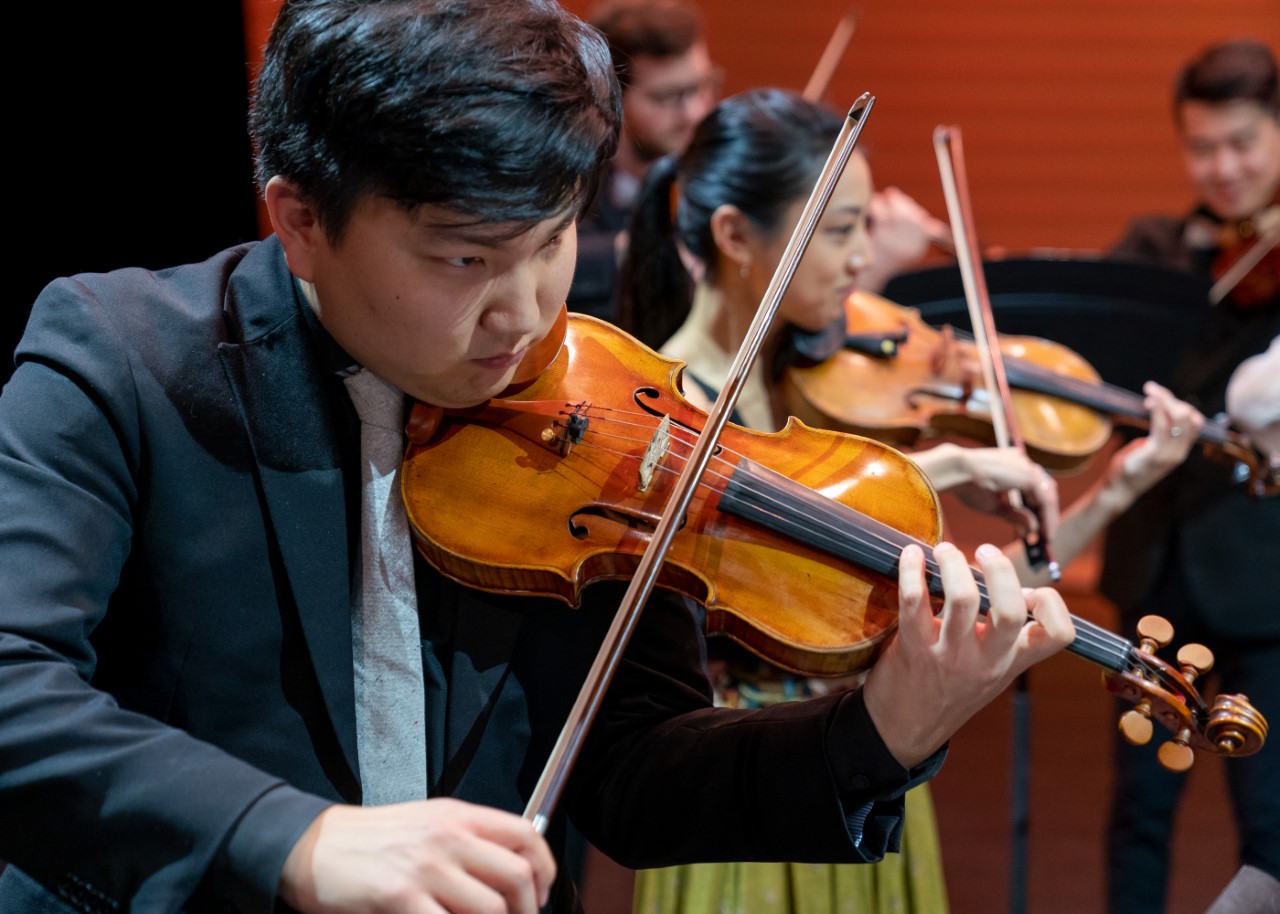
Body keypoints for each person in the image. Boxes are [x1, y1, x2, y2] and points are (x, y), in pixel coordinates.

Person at [0, 3, 1077, 913]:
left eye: (553, 238)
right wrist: (299, 837)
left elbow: (634, 778)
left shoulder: (601, 411)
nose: (523, 312)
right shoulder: (123, 358)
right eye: (465, 256)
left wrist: (881, 727)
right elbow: (15, 687)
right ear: (300, 219)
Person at [617, 87, 1202, 914]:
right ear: (736, 237)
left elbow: (978, 595)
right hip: (753, 796)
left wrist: (1119, 487)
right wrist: (944, 462)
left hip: (867, 774)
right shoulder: (665, 421)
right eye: (841, 229)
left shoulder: (805, 400)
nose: (864, 261)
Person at [1100, 38, 1280, 914]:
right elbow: (1098, 376)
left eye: (1244, 142)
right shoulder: (1156, 254)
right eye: (1203, 146)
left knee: (1271, 814)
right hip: (1157, 572)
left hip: (1266, 583)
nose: (1224, 167)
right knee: (1139, 808)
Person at [567, 0, 720, 322]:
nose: (693, 113)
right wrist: (633, 250)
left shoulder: (717, 173)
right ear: (612, 96)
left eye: (701, 87)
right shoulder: (572, 179)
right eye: (666, 97)